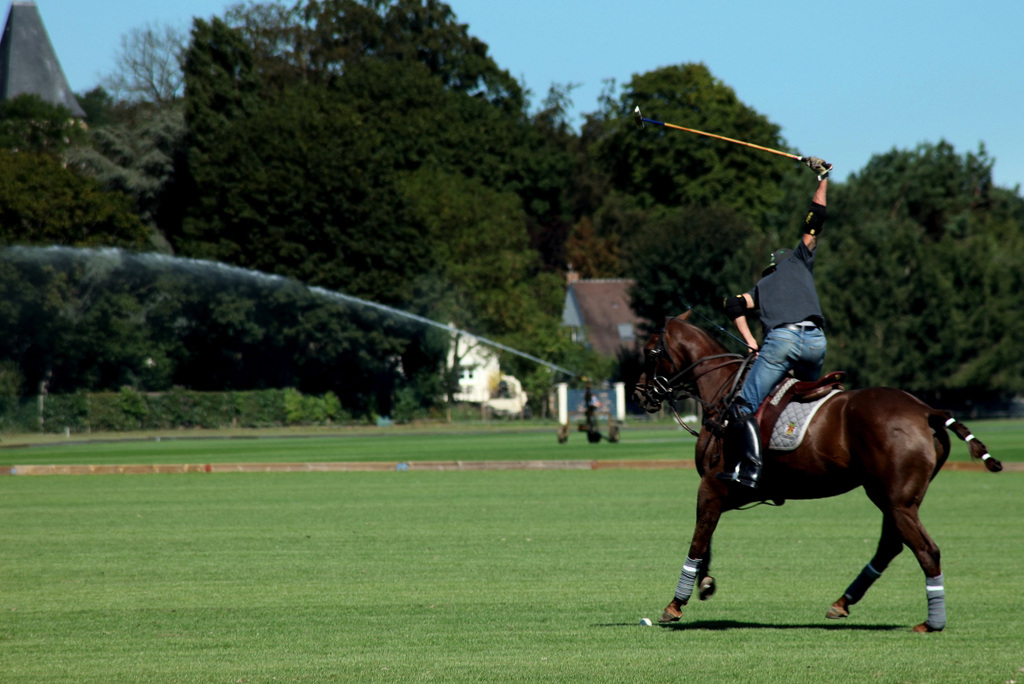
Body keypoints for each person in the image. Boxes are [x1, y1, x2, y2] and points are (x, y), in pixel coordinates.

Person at [717, 157, 832, 488]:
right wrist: (822, 179)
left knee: (742, 407)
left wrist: (750, 339)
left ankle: (752, 470)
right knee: (802, 397)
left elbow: (733, 303)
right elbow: (815, 220)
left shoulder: (761, 287)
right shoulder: (800, 262)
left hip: (781, 342)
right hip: (815, 343)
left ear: (770, 268)